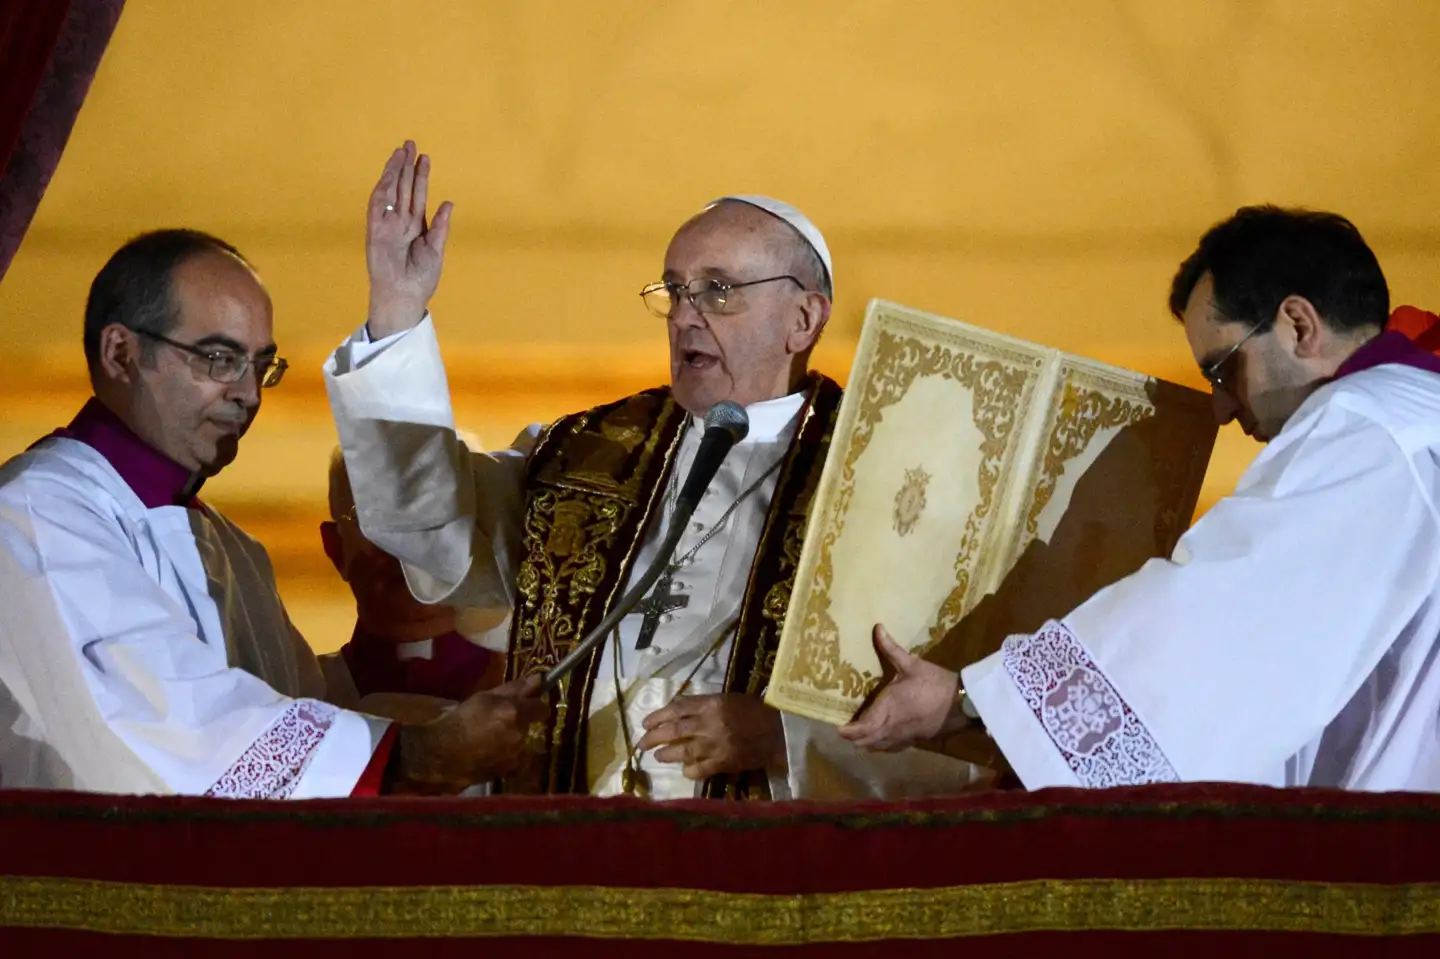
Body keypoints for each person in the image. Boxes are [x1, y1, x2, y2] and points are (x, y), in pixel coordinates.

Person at [325, 142, 985, 800]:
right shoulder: (581, 452)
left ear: (803, 319)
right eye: (674, 290)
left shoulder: (893, 480)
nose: (683, 315)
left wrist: (783, 737)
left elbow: (958, 734)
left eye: (717, 290)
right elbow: (427, 524)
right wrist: (397, 312)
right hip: (567, 846)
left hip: (761, 868)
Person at [842, 205, 1440, 792]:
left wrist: (971, 700)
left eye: (1224, 370)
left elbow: (1214, 620)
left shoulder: (1364, 425)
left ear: (1299, 325)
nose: (1220, 408)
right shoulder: (1412, 414)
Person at [0, 229, 546, 796]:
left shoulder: (230, 547)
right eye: (218, 359)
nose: (249, 394)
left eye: (262, 365)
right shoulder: (38, 513)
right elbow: (167, 728)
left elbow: (301, 712)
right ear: (121, 353)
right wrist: (415, 754)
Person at [321, 445, 508, 711]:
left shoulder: (546, 692)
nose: (409, 546)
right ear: (336, 548)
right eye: (378, 520)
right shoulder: (299, 695)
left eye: (437, 517)